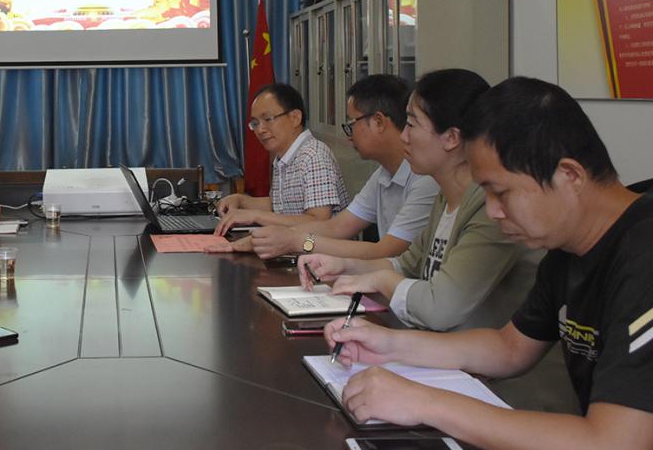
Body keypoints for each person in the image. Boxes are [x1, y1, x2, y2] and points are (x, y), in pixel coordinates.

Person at [322, 77, 653, 447]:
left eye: (501, 192)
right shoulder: (567, 248)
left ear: (569, 175)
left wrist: (425, 402)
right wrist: (389, 344)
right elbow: (509, 347)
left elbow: (615, 441)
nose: (493, 212)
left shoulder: (643, 253)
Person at [299, 69, 541, 332]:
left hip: (469, 354)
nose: (403, 136)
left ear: (452, 138)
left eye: (412, 125)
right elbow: (405, 263)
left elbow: (439, 307)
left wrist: (377, 279)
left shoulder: (488, 207)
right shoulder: (440, 195)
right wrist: (342, 265)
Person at [210, 74, 439, 259]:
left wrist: (297, 242)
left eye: (351, 124)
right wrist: (267, 239)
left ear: (379, 122)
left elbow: (385, 251)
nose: (348, 134)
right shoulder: (383, 175)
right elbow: (337, 227)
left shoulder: (425, 180)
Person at [213, 83, 348, 233]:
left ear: (295, 118)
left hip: (316, 246)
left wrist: (255, 216)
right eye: (255, 123)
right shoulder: (284, 156)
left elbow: (319, 221)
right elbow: (279, 205)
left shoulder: (313, 156)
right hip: (296, 242)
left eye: (268, 119)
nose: (260, 130)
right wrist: (240, 200)